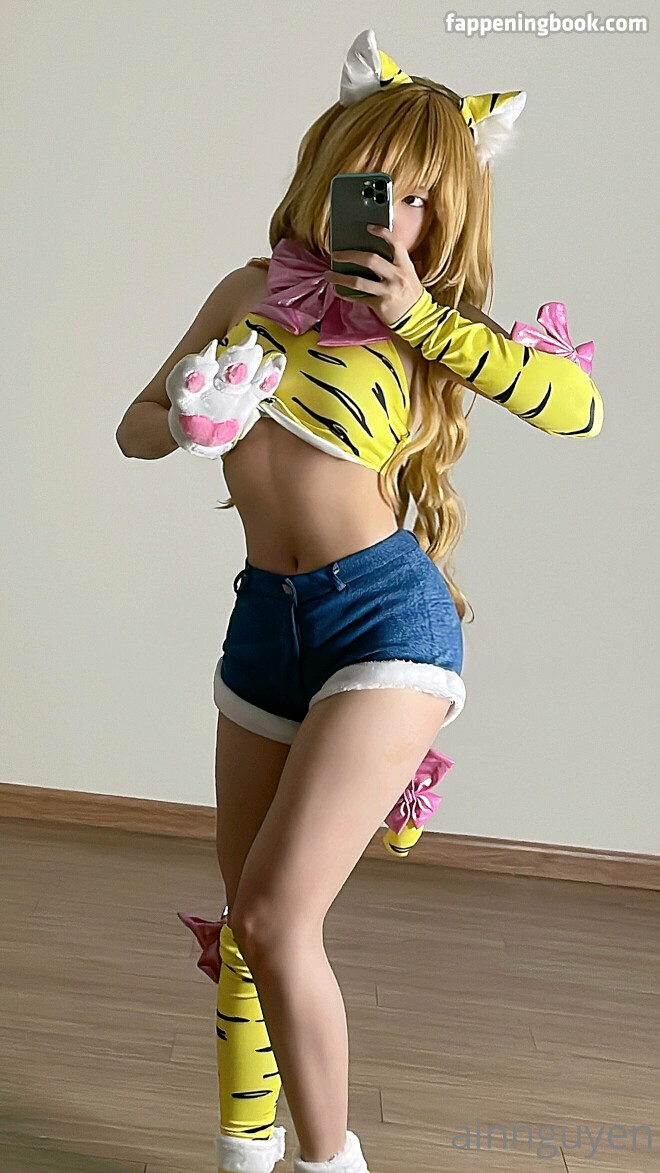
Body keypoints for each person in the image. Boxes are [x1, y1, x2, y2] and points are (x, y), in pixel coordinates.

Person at [116, 27, 603, 1173]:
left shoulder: (432, 327)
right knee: (248, 930)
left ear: (449, 215)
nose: (393, 216)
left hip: (384, 620)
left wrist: (419, 316)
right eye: (373, 184)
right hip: (265, 622)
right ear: (329, 174)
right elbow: (133, 428)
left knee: (278, 918)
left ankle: (328, 1161)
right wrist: (187, 417)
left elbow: (579, 410)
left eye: (420, 198)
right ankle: (244, 1154)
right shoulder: (249, 291)